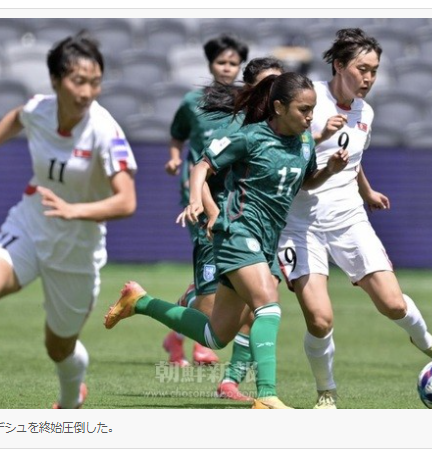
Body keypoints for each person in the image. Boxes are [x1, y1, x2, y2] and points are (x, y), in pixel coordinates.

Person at [0, 31, 137, 409]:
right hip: (31, 222)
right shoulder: (40, 109)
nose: (87, 92)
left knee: (59, 347)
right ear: (55, 80)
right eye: (78, 81)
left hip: (77, 248)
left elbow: (126, 201)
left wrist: (74, 210)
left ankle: (71, 400)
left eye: (95, 82)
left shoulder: (105, 131)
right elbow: (16, 118)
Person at [105, 72, 350, 409]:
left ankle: (140, 302)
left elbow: (305, 182)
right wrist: (197, 201)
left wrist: (330, 170)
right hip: (237, 232)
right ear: (279, 107)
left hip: (266, 241)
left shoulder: (305, 142)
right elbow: (201, 166)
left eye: (313, 109)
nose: (310, 117)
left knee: (215, 335)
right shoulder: (250, 137)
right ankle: (266, 396)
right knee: (268, 303)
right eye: (303, 109)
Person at [277, 28, 432, 410]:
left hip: (348, 218)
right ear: (338, 65)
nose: (368, 78)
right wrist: (316, 135)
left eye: (374, 71)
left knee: (393, 304)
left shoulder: (366, 112)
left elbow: (350, 157)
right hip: (299, 225)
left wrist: (366, 190)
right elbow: (282, 150)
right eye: (362, 69)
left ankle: (428, 342)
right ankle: (326, 393)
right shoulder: (309, 98)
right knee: (320, 320)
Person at [171, 57, 287, 402]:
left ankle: (231, 382)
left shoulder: (283, 129)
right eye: (268, 84)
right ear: (251, 89)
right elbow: (202, 170)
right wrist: (211, 213)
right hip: (223, 227)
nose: (275, 91)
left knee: (260, 305)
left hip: (259, 233)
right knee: (214, 321)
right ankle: (186, 299)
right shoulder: (236, 128)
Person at [162, 34, 249, 367]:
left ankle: (178, 331)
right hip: (199, 193)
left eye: (233, 63)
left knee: (222, 268)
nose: (227, 68)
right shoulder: (192, 102)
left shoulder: (245, 101)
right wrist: (174, 158)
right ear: (211, 64)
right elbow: (177, 136)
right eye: (221, 62)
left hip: (234, 195)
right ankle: (202, 343)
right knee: (212, 260)